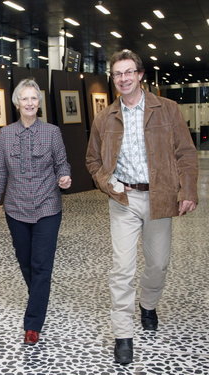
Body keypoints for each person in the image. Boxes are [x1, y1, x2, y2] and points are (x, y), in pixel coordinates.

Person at [86, 49, 198, 365]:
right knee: (122, 268)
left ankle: (148, 304)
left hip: (160, 197)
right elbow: (92, 160)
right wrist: (107, 182)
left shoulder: (168, 110)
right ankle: (123, 334)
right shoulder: (104, 117)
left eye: (128, 72)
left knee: (158, 264)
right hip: (123, 200)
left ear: (140, 75)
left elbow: (186, 154)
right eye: (117, 74)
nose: (123, 78)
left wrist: (187, 189)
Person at [0, 78, 72, 345]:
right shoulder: (6, 134)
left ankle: (32, 324)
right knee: (26, 262)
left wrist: (64, 178)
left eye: (34, 98)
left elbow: (62, 164)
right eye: (25, 98)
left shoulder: (52, 132)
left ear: (39, 103)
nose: (30, 103)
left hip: (47, 207)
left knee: (42, 266)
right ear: (17, 103)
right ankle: (39, 298)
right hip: (16, 209)